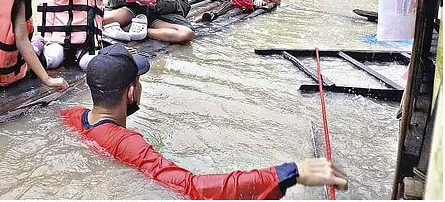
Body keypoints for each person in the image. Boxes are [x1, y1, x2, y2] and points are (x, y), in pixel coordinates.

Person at [61, 43, 349, 200]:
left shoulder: (72, 116)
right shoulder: (129, 143)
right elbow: (192, 187)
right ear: (132, 91)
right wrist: (288, 172)